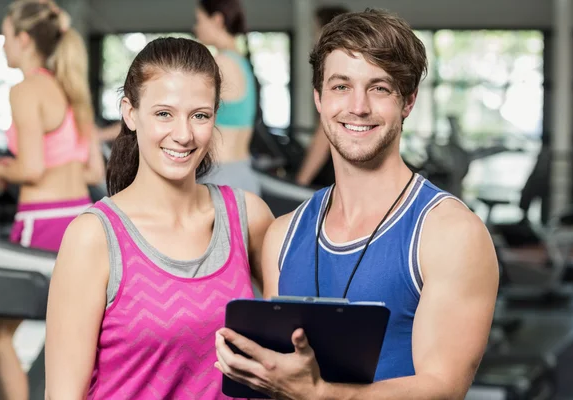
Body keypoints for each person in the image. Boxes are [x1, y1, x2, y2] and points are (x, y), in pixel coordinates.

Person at [214, 9, 499, 399]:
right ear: (318, 98)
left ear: (408, 101)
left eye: (379, 88)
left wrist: (318, 394)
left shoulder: (451, 234)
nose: (358, 107)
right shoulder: (284, 235)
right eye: (340, 86)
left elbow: (443, 388)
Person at [44, 36, 274, 399]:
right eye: (164, 113)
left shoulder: (248, 217)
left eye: (199, 116)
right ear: (130, 112)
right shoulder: (93, 237)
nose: (183, 135)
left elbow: (293, 354)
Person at [0, 1, 104, 398]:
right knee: (76, 338)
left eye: (4, 37)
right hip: (82, 217)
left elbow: (31, 168)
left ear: (23, 39)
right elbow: (90, 173)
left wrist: (2, 170)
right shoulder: (69, 87)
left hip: (43, 221)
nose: (2, 47)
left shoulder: (26, 89)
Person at [194, 0, 261, 195]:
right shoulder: (241, 62)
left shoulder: (220, 63)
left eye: (199, 20)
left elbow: (175, 109)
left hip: (220, 179)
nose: (195, 27)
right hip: (243, 175)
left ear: (216, 20)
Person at [295, 5, 349, 187]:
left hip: (337, 170)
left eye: (316, 30)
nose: (313, 37)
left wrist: (301, 181)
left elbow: (325, 133)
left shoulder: (338, 71)